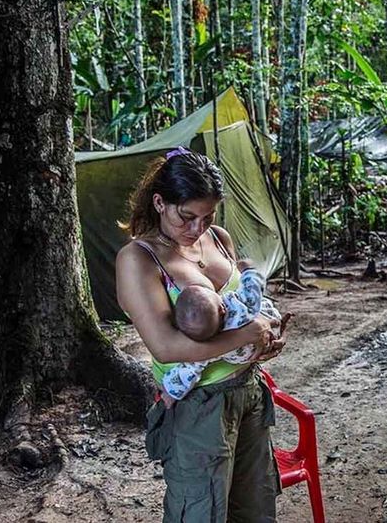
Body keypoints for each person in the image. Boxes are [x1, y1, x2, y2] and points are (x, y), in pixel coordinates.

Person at [115, 146, 285, 522]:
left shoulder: (219, 239)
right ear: (160, 203)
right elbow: (166, 346)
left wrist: (264, 337)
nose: (197, 229)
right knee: (200, 512)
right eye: (186, 216)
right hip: (198, 407)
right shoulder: (139, 260)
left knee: (254, 506)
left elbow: (244, 305)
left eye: (207, 217)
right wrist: (247, 336)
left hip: (249, 393)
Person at [161, 259, 290, 403]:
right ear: (222, 308)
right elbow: (253, 288)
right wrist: (249, 270)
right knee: (257, 303)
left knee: (192, 366)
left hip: (243, 356)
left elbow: (188, 371)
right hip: (269, 331)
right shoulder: (238, 307)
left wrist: (170, 393)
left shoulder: (212, 347)